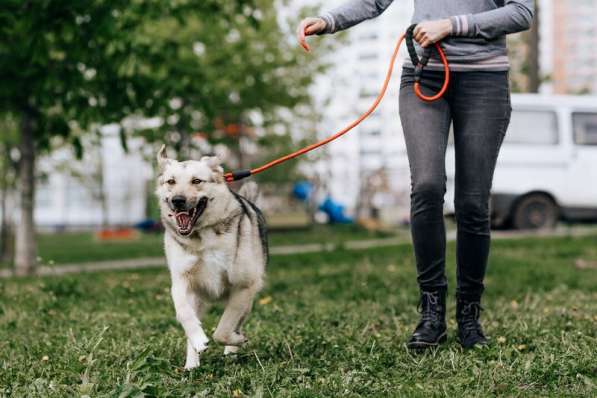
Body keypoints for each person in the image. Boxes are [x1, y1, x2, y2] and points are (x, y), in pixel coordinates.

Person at [297, 0, 534, 349]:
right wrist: (328, 20)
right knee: (426, 186)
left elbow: (521, 13)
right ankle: (432, 311)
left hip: (485, 82)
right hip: (424, 73)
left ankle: (469, 315)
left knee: (471, 203)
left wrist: (452, 25)